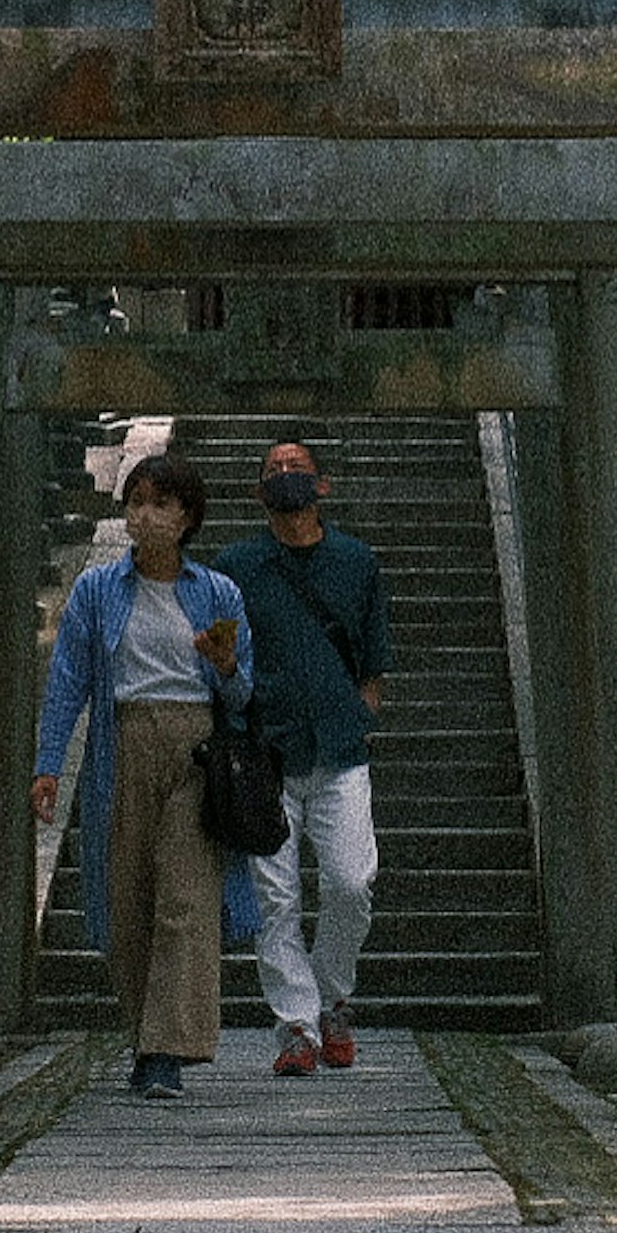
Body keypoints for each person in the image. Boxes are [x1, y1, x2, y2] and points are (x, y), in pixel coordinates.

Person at [33, 450, 254, 1102]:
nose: (143, 515)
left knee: (185, 899)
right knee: (128, 900)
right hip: (121, 742)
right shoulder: (98, 591)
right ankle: (145, 1034)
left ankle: (165, 1052)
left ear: (187, 516)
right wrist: (49, 764)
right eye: (135, 502)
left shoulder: (219, 593)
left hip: (197, 751)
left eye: (159, 503)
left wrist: (223, 665)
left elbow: (244, 696)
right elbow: (68, 682)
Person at [215, 434, 393, 1077]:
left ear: (322, 485)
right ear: (259, 491)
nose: (286, 476)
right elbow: (221, 649)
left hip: (340, 747)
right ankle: (296, 1023)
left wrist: (357, 710)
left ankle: (333, 993)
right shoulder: (235, 567)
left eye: (298, 468)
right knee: (276, 899)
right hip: (266, 753)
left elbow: (374, 660)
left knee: (351, 882)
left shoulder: (356, 562)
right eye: (274, 470)